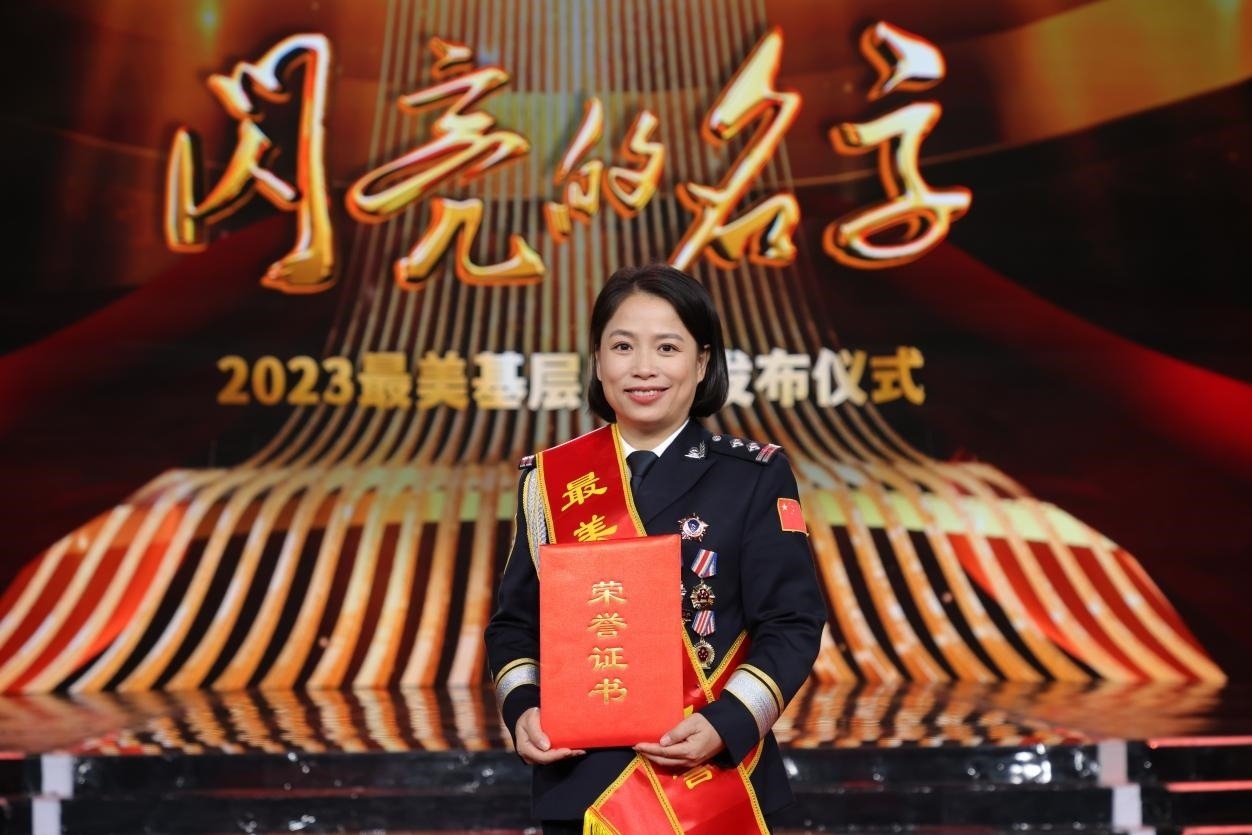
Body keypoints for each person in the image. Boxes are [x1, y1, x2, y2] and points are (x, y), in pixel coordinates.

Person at [485, 263, 826, 834]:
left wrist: (728, 722)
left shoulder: (752, 476)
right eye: (623, 346)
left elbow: (792, 622)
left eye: (667, 347)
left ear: (702, 362)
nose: (643, 367)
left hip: (715, 779)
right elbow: (515, 626)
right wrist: (523, 710)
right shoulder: (550, 482)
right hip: (581, 787)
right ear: (598, 361)